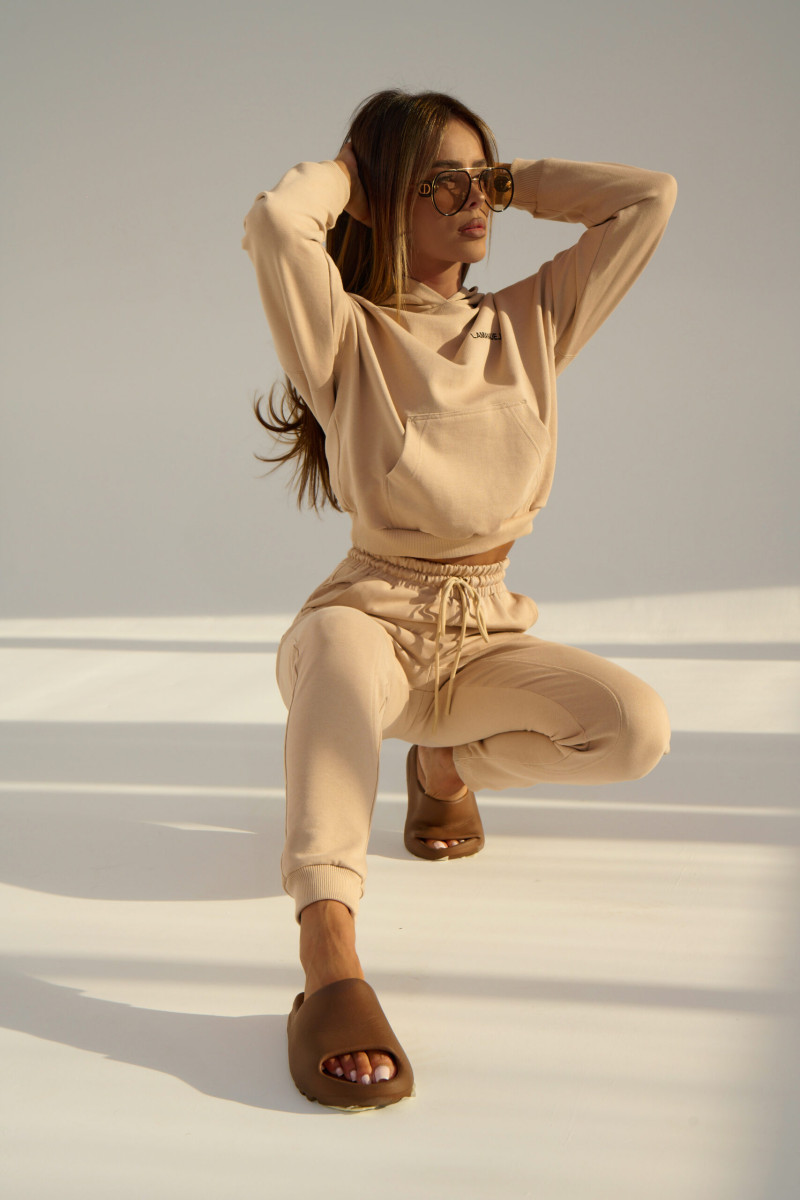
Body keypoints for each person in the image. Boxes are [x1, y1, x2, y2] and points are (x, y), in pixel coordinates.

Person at [241, 88, 676, 1110]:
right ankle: (328, 961)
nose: (472, 201)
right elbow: (276, 221)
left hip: (484, 633)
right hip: (366, 626)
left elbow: (648, 199)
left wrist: (517, 182)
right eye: (441, 182)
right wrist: (349, 176)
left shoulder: (530, 320)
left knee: (632, 730)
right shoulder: (343, 336)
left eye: (483, 180)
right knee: (340, 649)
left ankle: (445, 768)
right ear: (382, 198)